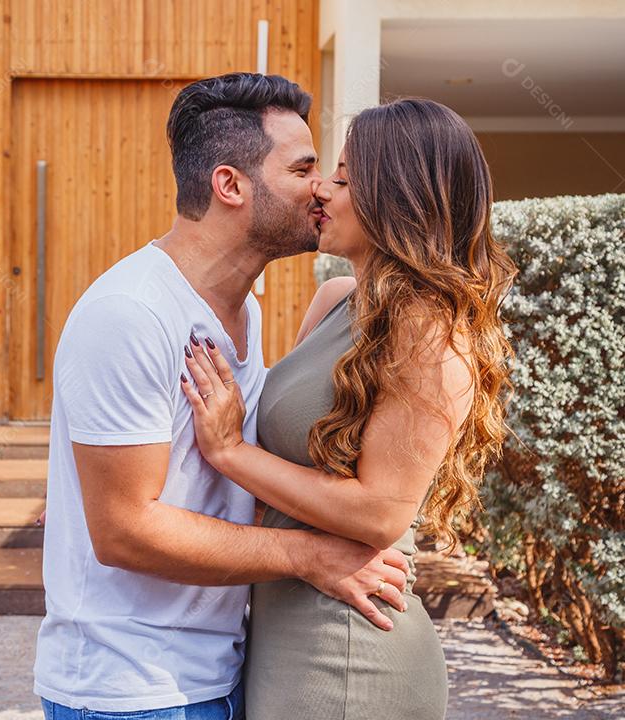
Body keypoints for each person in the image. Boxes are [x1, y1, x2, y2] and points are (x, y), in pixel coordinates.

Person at [34, 73, 412, 719]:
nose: (322, 188)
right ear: (231, 185)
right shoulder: (130, 312)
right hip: (132, 692)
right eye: (303, 169)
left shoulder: (244, 309)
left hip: (221, 673)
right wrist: (310, 554)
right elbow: (123, 531)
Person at [180, 97, 516, 719]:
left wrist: (230, 452)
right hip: (281, 626)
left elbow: (380, 513)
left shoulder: (430, 333)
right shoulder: (336, 299)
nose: (321, 194)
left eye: (342, 178)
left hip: (350, 650)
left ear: (396, 196)